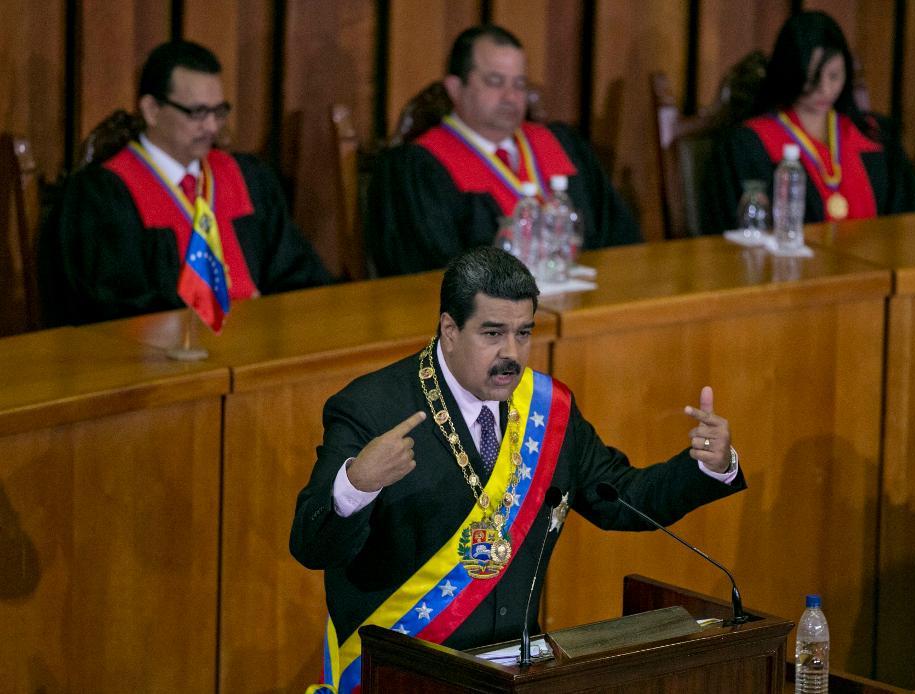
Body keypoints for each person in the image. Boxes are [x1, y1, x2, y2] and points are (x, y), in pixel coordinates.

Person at [290, 246, 744, 693]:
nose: (512, 353)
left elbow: (622, 499)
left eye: (523, 333)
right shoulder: (370, 408)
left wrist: (708, 467)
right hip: (404, 676)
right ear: (449, 329)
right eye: (492, 334)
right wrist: (356, 484)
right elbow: (311, 546)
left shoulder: (548, 410)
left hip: (514, 677)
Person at [38, 40, 331, 326]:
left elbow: (299, 274)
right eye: (198, 113)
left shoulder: (247, 177)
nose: (212, 127)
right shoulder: (102, 196)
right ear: (152, 110)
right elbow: (110, 307)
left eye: (219, 111)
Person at [367, 25, 641, 277]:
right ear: (455, 88)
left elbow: (621, 243)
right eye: (495, 82)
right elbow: (426, 277)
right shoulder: (417, 168)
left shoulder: (564, 144)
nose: (511, 97)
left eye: (519, 84)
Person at [707, 11, 915, 233]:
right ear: (790, 74)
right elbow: (743, 230)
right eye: (812, 78)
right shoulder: (750, 145)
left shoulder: (874, 135)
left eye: (834, 76)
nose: (825, 89)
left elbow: (911, 220)